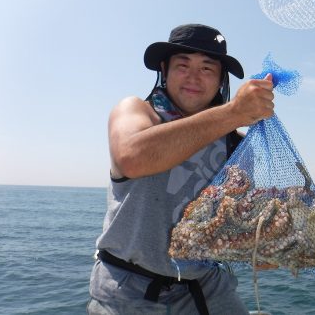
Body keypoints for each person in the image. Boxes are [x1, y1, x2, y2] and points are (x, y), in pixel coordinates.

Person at [87, 23, 274, 315]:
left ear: (220, 78)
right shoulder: (137, 112)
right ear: (165, 69)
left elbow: (240, 227)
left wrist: (265, 248)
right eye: (182, 65)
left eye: (207, 69)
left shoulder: (236, 146)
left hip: (205, 284)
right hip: (128, 288)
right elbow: (132, 158)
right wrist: (234, 112)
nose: (193, 78)